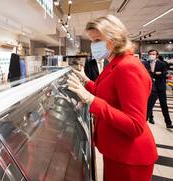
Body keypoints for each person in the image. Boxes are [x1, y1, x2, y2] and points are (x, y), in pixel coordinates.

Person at [66, 15, 157, 181]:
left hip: (130, 157)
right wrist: (86, 81)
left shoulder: (127, 67)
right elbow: (109, 95)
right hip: (117, 151)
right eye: (92, 41)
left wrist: (91, 100)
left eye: (98, 40)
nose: (94, 46)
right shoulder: (116, 63)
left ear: (114, 38)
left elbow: (135, 125)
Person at [142, 50, 173, 128]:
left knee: (164, 105)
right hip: (149, 87)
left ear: (157, 55)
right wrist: (156, 73)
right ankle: (149, 119)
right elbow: (145, 73)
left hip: (160, 87)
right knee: (149, 105)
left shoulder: (162, 64)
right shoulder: (145, 64)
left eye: (153, 54)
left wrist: (153, 73)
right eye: (150, 54)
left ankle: (168, 123)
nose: (152, 55)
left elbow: (164, 74)